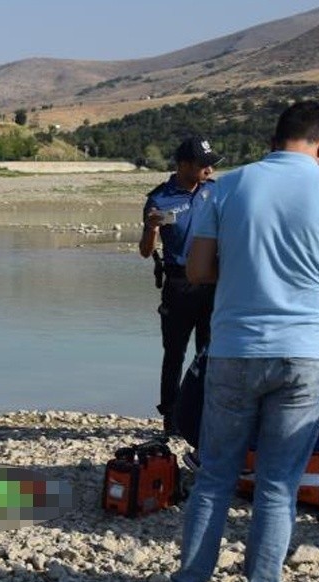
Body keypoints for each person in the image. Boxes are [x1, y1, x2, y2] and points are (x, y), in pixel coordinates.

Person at [148, 101, 319, 582]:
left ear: (274, 138)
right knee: (279, 488)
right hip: (308, 354)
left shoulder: (228, 188)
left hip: (236, 348)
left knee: (215, 478)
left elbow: (197, 269)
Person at [139, 136, 223, 437]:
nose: (209, 169)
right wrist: (151, 228)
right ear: (183, 165)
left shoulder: (215, 191)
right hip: (178, 284)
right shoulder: (159, 199)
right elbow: (146, 251)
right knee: (174, 354)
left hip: (214, 284)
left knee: (211, 352)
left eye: (212, 163)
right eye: (203, 164)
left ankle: (206, 415)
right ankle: (170, 417)